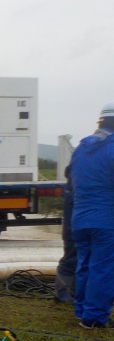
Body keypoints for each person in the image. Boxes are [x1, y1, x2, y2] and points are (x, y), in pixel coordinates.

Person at [70, 102, 114, 328]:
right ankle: (94, 318)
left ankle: (81, 311)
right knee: (103, 268)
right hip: (105, 220)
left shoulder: (81, 148)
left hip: (80, 218)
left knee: (84, 265)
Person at [54, 164, 76, 303]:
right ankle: (63, 292)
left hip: (78, 222)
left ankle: (70, 292)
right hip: (76, 224)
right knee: (73, 256)